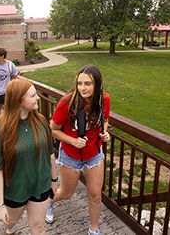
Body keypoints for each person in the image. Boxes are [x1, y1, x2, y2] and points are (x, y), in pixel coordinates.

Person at [46, 65, 110, 235]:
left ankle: (93, 229)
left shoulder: (104, 99)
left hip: (94, 154)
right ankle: (49, 202)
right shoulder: (67, 103)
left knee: (96, 196)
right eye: (79, 83)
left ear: (98, 84)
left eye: (88, 83)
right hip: (71, 156)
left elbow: (105, 119)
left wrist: (104, 132)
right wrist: (73, 141)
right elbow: (52, 129)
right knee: (66, 194)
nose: (82, 88)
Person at [0, 79, 58, 235]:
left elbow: (50, 155)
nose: (38, 98)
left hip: (40, 185)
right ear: (19, 101)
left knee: (39, 227)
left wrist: (54, 180)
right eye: (33, 95)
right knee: (11, 223)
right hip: (15, 190)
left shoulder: (41, 122)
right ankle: (10, 230)